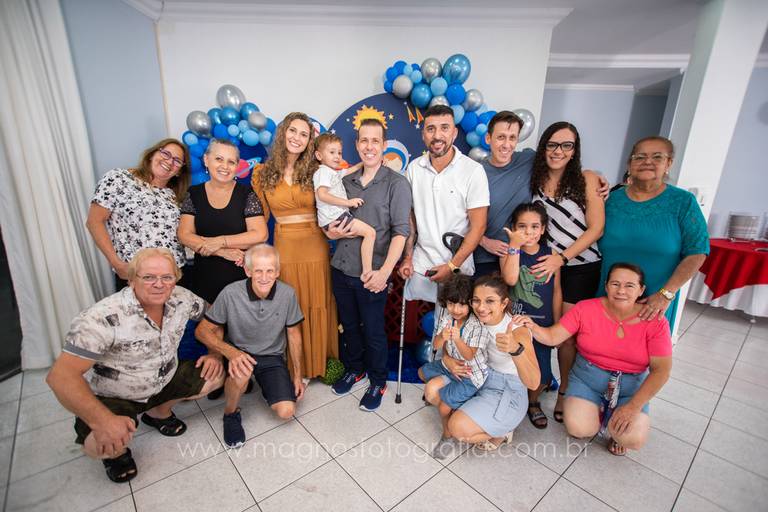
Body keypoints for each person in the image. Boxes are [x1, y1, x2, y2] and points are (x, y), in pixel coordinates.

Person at [46, 248, 224, 483]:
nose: (159, 284)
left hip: (164, 378)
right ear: (131, 280)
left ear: (176, 278)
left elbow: (214, 318)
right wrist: (103, 421)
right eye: (148, 277)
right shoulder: (100, 317)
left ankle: (158, 413)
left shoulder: (182, 297)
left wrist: (215, 354)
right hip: (117, 395)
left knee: (215, 375)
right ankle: (117, 454)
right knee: (97, 444)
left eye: (167, 277)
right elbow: (60, 376)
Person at [513, 263, 673, 455]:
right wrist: (532, 326)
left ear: (641, 290)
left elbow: (662, 370)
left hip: (631, 388)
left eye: (629, 285)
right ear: (606, 286)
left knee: (632, 438)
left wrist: (632, 407)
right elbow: (553, 337)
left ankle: (616, 422)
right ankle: (601, 413)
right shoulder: (585, 308)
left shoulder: (655, 321)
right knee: (579, 429)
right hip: (587, 379)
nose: (621, 291)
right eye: (615, 284)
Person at [327, 118, 412, 412]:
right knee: (349, 326)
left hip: (372, 273)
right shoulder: (345, 181)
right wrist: (330, 232)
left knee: (374, 331)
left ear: (384, 145)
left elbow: (401, 232)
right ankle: (355, 368)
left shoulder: (397, 184)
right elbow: (329, 220)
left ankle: (378, 380)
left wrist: (384, 273)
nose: (369, 146)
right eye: (364, 140)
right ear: (357, 144)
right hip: (341, 267)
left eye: (375, 141)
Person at [251, 112, 338, 379]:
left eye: (303, 134)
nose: (297, 138)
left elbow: (331, 206)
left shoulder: (316, 170)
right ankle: (294, 367)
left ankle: (321, 364)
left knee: (318, 301)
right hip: (285, 247)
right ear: (283, 133)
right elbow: (260, 220)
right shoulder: (262, 173)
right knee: (291, 304)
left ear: (310, 141)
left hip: (316, 243)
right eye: (292, 131)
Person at [529, 122, 605, 423]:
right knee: (543, 326)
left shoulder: (587, 179)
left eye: (566, 145)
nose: (558, 151)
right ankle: (539, 384)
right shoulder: (534, 179)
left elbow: (597, 228)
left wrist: (563, 258)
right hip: (546, 266)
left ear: (575, 151)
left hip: (580, 267)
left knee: (567, 336)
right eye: (552, 144)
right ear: (543, 147)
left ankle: (564, 391)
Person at [194, 243, 305, 447]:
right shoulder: (230, 293)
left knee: (286, 412)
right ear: (248, 271)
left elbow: (294, 334)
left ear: (277, 272)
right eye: (258, 271)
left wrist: (297, 375)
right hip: (239, 352)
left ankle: (264, 384)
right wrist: (230, 352)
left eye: (270, 271)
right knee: (242, 374)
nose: (264, 277)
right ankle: (230, 414)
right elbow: (201, 331)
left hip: (271, 356)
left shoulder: (287, 294)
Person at [599, 136, 709, 327]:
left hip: (654, 303)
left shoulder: (683, 202)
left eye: (657, 157)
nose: (647, 162)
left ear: (669, 163)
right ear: (630, 164)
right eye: (640, 157)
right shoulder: (610, 200)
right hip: (607, 298)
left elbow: (697, 252)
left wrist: (666, 294)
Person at [400, 104, 489, 301]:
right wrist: (407, 257)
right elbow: (410, 219)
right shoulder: (414, 169)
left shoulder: (473, 171)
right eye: (431, 129)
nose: (437, 135)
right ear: (423, 134)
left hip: (458, 269)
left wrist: (452, 266)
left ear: (454, 133)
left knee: (451, 320)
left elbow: (479, 226)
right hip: (421, 266)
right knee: (415, 317)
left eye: (444, 128)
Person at [444, 275, 541, 451]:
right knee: (441, 400)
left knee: (457, 428)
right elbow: (448, 343)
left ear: (504, 303)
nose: (481, 307)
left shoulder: (517, 330)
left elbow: (533, 382)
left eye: (490, 301)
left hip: (507, 390)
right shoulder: (472, 318)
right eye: (476, 300)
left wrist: (515, 349)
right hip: (481, 377)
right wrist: (447, 360)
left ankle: (502, 433)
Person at [87, 138, 190, 289]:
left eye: (177, 161)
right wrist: (116, 263)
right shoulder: (119, 178)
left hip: (174, 275)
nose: (169, 161)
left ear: (179, 171)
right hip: (136, 274)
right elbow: (94, 222)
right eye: (166, 154)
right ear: (152, 155)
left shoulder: (177, 196)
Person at [178, 138, 268, 304]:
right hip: (204, 278)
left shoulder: (247, 194)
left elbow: (260, 234)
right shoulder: (193, 194)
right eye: (219, 159)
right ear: (206, 160)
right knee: (207, 321)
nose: (225, 166)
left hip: (240, 279)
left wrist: (220, 241)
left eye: (231, 162)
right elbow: (184, 235)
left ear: (237, 166)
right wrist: (220, 251)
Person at [500, 203, 562, 429]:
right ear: (513, 228)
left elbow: (556, 291)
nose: (528, 232)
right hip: (516, 323)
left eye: (535, 226)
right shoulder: (509, 252)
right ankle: (516, 398)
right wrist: (514, 246)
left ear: (543, 229)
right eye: (522, 226)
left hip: (542, 323)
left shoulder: (551, 255)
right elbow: (510, 279)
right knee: (516, 363)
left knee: (541, 369)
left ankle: (534, 402)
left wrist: (557, 324)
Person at [418, 274, 490, 459]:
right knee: (421, 373)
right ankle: (453, 400)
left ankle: (447, 437)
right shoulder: (447, 316)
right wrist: (442, 337)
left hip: (470, 374)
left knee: (443, 407)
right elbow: (436, 346)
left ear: (471, 303)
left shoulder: (477, 325)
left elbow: (469, 355)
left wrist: (457, 339)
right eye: (451, 303)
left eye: (461, 304)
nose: (455, 309)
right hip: (450, 365)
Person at [474, 111, 536, 277]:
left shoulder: (528, 160)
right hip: (485, 259)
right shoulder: (475, 172)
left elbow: (559, 161)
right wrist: (485, 242)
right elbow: (459, 218)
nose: (507, 145)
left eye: (512, 138)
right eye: (501, 137)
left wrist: (592, 177)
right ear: (488, 138)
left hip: (523, 256)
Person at [312, 132, 376, 279]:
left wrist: (366, 162)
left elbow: (350, 170)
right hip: (335, 217)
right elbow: (322, 195)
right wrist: (348, 202)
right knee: (370, 233)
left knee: (363, 235)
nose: (337, 156)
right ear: (319, 155)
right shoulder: (323, 173)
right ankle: (367, 272)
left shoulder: (332, 172)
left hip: (335, 217)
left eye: (339, 153)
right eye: (332, 152)